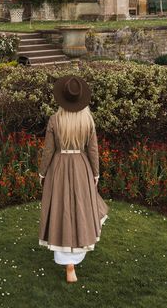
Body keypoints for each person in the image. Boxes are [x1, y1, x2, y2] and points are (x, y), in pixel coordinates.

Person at [38, 74, 108, 283]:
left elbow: (48, 151)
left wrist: (42, 172)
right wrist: (95, 173)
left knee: (62, 210)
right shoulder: (88, 119)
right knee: (80, 210)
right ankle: (74, 261)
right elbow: (93, 150)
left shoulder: (55, 119)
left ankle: (68, 264)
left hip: (59, 167)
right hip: (81, 167)